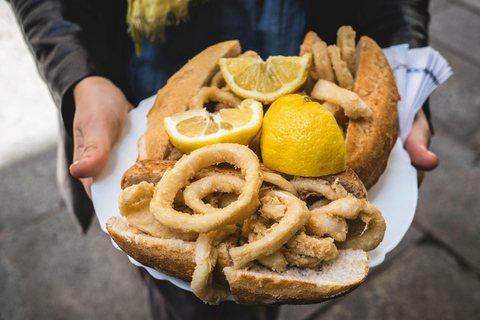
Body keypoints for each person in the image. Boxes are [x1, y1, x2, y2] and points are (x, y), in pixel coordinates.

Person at [8, 0, 438, 319]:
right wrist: (81, 76)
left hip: (305, 109)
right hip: (146, 82)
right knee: (183, 305)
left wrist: (408, 84)